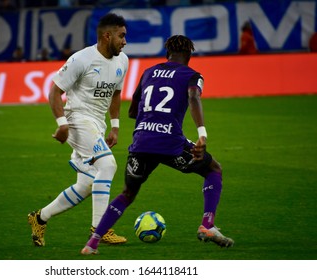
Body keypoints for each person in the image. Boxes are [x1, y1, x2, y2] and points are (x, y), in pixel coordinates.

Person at [81, 35, 234, 255]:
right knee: (213, 169)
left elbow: (133, 111)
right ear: (189, 55)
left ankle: (92, 243)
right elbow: (193, 97)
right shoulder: (193, 75)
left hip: (141, 141)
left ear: (167, 54)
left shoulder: (148, 72)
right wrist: (202, 134)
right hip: (170, 142)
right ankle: (207, 225)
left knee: (127, 194)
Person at [28, 13, 129, 247]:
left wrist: (115, 126)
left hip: (97, 123)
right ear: (107, 35)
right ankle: (101, 228)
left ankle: (40, 218)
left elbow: (115, 93)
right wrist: (62, 123)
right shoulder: (81, 59)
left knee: (86, 185)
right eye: (121, 36)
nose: (125, 41)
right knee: (108, 164)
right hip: (77, 119)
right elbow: (55, 91)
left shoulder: (122, 60)